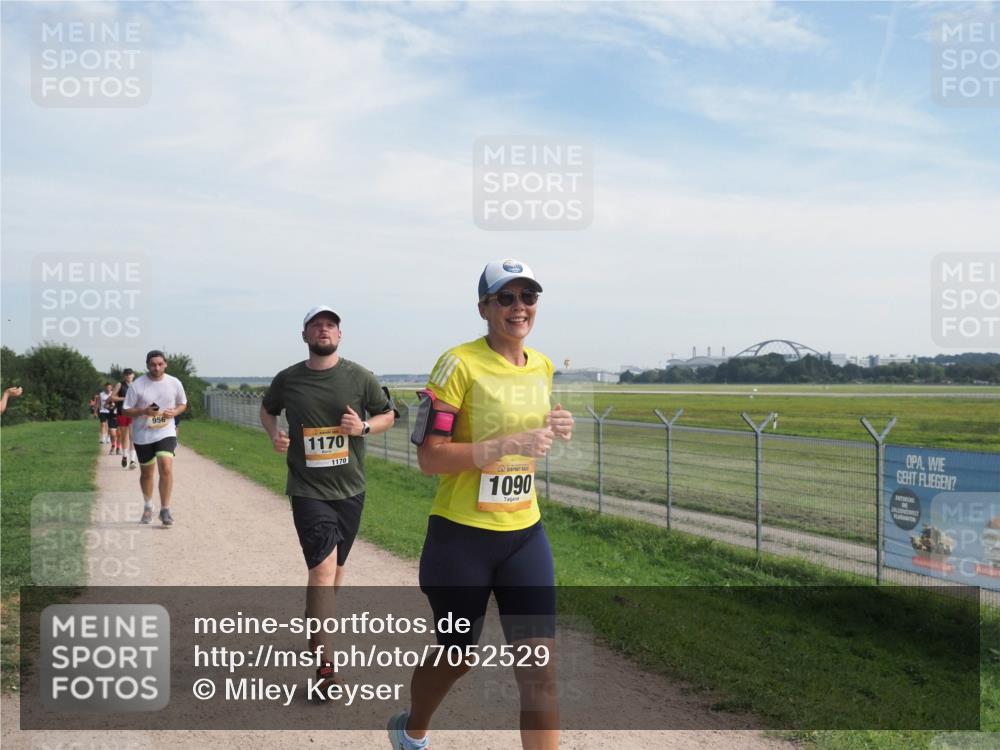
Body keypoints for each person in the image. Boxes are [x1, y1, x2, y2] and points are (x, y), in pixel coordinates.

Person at [388, 259, 573, 750]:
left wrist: (556, 424)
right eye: (505, 298)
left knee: (540, 670)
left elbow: (530, 424)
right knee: (456, 656)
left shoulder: (542, 364)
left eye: (527, 297)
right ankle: (412, 728)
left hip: (525, 535)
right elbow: (430, 458)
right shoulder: (458, 363)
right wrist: (508, 443)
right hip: (461, 538)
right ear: (483, 307)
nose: (519, 307)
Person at [260, 305, 396, 699]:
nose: (324, 330)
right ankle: (325, 668)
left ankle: (317, 627)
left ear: (340, 335)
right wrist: (275, 435)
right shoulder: (288, 379)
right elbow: (268, 410)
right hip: (307, 490)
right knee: (322, 571)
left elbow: (389, 415)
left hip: (351, 489)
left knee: (335, 573)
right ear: (305, 336)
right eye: (316, 325)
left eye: (330, 325)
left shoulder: (359, 377)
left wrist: (365, 426)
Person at [123, 351, 187, 526]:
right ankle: (148, 505)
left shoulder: (174, 383)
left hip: (165, 430)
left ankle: (165, 509)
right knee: (147, 473)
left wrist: (174, 412)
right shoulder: (137, 385)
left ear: (165, 364)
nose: (156, 368)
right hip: (143, 434)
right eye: (153, 364)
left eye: (160, 364)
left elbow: (182, 403)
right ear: (147, 365)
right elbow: (125, 410)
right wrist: (144, 411)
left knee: (165, 467)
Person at [111, 369, 138, 469]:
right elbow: (112, 397)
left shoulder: (137, 385)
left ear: (133, 375)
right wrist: (124, 398)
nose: (129, 376)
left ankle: (133, 461)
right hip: (122, 412)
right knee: (124, 436)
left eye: (130, 374)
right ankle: (125, 456)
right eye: (127, 375)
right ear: (124, 376)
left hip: (133, 413)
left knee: (132, 436)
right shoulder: (120, 385)